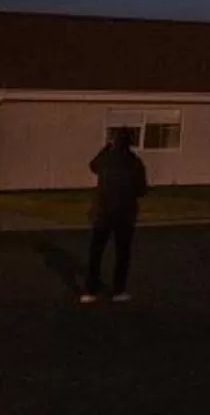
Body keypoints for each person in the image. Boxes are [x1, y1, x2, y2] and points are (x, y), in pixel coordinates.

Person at [82, 127, 149, 302]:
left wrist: (105, 148)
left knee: (96, 252)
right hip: (125, 213)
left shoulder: (106, 160)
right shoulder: (135, 162)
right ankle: (119, 291)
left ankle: (90, 291)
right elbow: (142, 189)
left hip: (103, 212)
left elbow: (92, 165)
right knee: (122, 253)